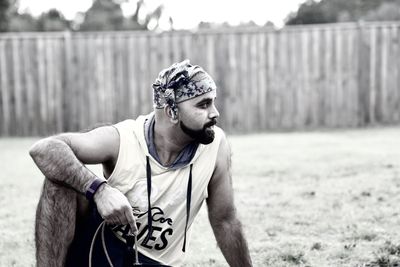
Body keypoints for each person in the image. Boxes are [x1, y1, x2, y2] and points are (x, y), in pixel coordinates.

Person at [30, 60, 253, 267]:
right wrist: (99, 190)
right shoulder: (123, 138)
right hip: (100, 246)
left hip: (155, 262)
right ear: (172, 112)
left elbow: (225, 221)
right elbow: (44, 149)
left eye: (213, 102)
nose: (215, 113)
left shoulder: (216, 145)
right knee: (58, 182)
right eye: (203, 105)